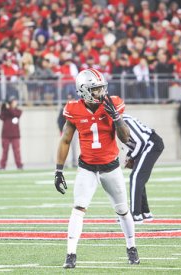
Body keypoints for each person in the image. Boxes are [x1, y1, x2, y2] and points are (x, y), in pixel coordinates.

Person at [54, 68, 139, 268]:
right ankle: (70, 254)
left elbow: (126, 138)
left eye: (101, 88)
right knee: (78, 207)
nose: (101, 93)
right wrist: (58, 170)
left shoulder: (113, 104)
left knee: (123, 209)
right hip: (87, 168)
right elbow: (65, 140)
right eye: (95, 89)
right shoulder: (74, 109)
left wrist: (117, 118)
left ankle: (132, 247)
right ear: (83, 91)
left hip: (111, 166)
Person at [122, 114, 164, 223]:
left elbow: (141, 141)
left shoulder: (125, 121)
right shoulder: (118, 122)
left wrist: (132, 157)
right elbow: (132, 142)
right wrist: (129, 155)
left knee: (136, 177)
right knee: (138, 177)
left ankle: (135, 214)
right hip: (147, 144)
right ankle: (145, 212)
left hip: (151, 143)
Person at [0, 97, 23, 170]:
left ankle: (19, 165)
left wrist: (9, 108)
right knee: (4, 152)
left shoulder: (18, 111)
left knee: (17, 151)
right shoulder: (6, 111)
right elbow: (1, 117)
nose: (15, 103)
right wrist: (3, 108)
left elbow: (15, 114)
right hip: (5, 135)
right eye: (13, 102)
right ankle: (2, 166)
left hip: (15, 135)